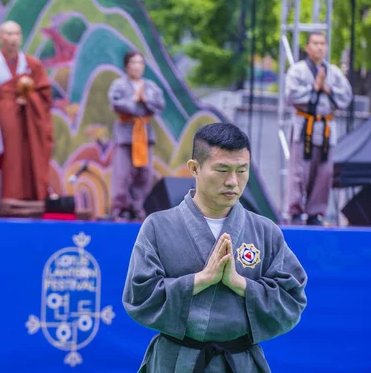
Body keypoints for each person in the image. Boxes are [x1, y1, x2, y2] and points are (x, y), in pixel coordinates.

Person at [122, 123, 307, 372]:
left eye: (242, 170)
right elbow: (139, 296)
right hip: (177, 361)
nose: (233, 181)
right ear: (194, 168)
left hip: (240, 362)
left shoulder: (265, 231)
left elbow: (292, 298)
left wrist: (239, 284)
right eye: (222, 170)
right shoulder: (158, 226)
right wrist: (200, 280)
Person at [0, 20, 53, 203]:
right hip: (5, 115)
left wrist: (29, 98)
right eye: (9, 34)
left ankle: (33, 196)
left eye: (16, 34)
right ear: (0, 38)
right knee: (10, 155)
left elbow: (45, 94)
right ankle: (9, 197)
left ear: (21, 37)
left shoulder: (32, 64)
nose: (13, 39)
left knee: (32, 153)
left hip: (29, 115)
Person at [285, 31, 353, 225]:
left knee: (324, 173)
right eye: (315, 43)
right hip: (303, 127)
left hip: (326, 129)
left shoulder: (334, 73)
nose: (319, 47)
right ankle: (296, 212)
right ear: (307, 47)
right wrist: (314, 88)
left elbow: (346, 97)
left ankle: (316, 213)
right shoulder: (297, 70)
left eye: (323, 43)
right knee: (299, 173)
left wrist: (327, 89)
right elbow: (291, 95)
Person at [107, 51, 165, 221]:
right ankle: (121, 208)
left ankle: (137, 206)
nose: (136, 66)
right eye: (133, 62)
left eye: (140, 63)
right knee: (123, 173)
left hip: (144, 133)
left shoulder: (150, 86)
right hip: (125, 133)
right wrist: (134, 99)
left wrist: (145, 99)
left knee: (145, 173)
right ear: (126, 65)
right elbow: (115, 103)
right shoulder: (118, 85)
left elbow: (159, 105)